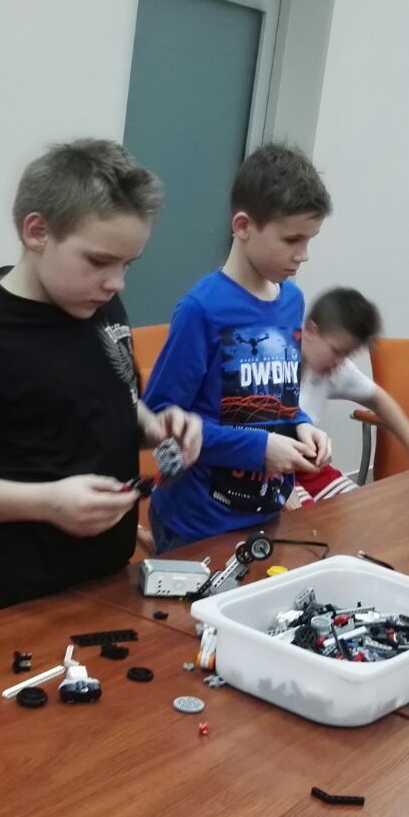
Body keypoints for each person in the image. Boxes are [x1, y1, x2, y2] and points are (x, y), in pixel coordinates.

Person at [0, 139, 200, 633]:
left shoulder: (99, 305)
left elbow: (112, 399)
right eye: (99, 261)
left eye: (127, 264)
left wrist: (155, 426)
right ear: (37, 231)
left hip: (99, 579)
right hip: (4, 597)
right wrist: (48, 502)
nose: (117, 283)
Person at [143, 143, 332, 551]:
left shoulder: (292, 301)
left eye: (310, 239)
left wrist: (302, 424)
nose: (303, 255)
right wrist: (259, 449)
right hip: (199, 523)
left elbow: (273, 400)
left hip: (264, 514)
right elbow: (160, 419)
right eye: (292, 239)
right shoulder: (202, 309)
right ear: (244, 226)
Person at [289, 287, 409, 505]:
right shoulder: (272, 361)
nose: (340, 362)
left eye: (348, 354)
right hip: (267, 470)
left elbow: (379, 399)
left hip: (308, 465)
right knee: (310, 518)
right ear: (311, 331)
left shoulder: (333, 368)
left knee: (363, 508)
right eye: (337, 351)